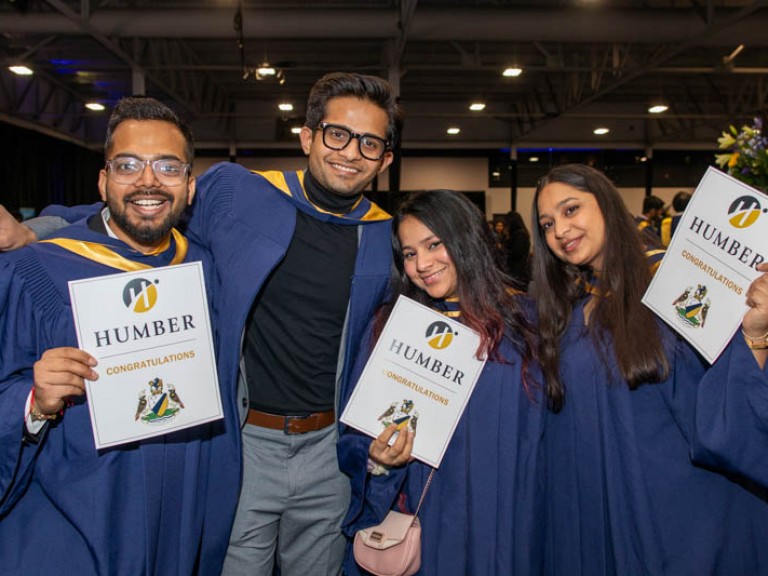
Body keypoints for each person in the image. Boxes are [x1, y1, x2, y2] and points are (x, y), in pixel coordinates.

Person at [3, 73, 401, 576]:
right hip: (245, 440)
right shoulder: (243, 193)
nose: (350, 151)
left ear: (385, 159)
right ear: (308, 136)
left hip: (326, 452)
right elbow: (146, 203)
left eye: (370, 143)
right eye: (337, 133)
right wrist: (34, 228)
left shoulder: (382, 235)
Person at [0, 96, 238, 574]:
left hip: (181, 514)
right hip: (78, 519)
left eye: (168, 167)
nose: (148, 180)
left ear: (190, 187)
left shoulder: (205, 267)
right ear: (104, 180)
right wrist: (31, 401)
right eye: (128, 165)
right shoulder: (36, 271)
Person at [531, 163, 768, 575]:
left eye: (571, 210)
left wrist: (755, 335)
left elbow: (727, 398)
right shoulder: (572, 305)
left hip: (674, 515)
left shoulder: (674, 286)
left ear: (606, 205)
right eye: (548, 223)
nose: (559, 231)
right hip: (598, 514)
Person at [338, 189, 545, 575]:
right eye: (410, 253)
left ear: (466, 238)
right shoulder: (392, 328)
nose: (422, 264)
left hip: (499, 516)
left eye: (434, 244)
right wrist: (377, 459)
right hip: (423, 508)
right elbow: (354, 433)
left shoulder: (524, 324)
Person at [502, 210, 532, 290]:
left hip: (517, 274)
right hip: (518, 273)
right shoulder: (519, 234)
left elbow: (516, 253)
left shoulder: (520, 235)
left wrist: (504, 249)